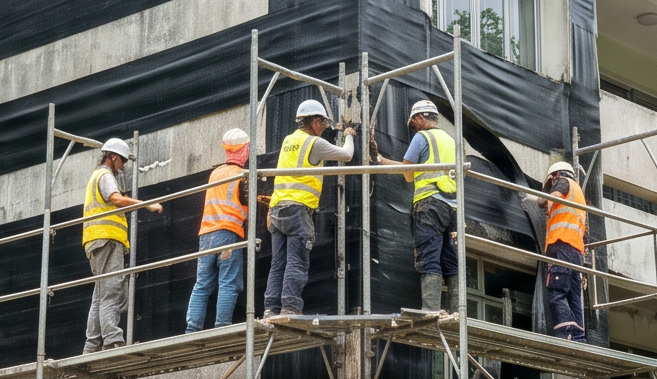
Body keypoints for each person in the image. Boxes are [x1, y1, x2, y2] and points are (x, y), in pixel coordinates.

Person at [260, 97, 354, 318]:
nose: (323, 128)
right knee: (297, 261)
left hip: (277, 210)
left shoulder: (288, 141)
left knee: (278, 263)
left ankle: (270, 309)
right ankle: (290, 308)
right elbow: (347, 155)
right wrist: (349, 135)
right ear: (313, 121)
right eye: (322, 123)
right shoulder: (314, 143)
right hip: (298, 210)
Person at [372, 98, 459, 313]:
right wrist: (381, 160)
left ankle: (430, 311)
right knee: (450, 259)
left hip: (429, 204)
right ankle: (458, 310)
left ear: (420, 118)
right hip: (452, 207)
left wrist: (381, 161)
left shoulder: (422, 137)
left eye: (413, 123)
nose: (413, 128)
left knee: (428, 257)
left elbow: (408, 175)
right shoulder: (450, 140)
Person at [81, 136, 160, 353]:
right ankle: (112, 339)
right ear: (113, 157)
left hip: (95, 240)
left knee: (100, 294)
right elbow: (116, 199)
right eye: (122, 161)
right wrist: (146, 204)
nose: (123, 166)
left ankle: (91, 345)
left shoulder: (95, 176)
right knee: (112, 291)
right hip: (107, 239)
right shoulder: (105, 175)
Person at [186, 128, 253, 331]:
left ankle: (192, 328)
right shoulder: (242, 174)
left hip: (206, 235)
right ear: (244, 149)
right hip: (228, 233)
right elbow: (245, 202)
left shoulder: (216, 173)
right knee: (229, 282)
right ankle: (222, 326)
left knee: (203, 284)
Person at [536, 159, 589, 341]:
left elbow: (548, 199)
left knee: (556, 293)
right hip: (576, 252)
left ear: (555, 175)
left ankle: (566, 332)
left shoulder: (563, 181)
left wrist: (540, 200)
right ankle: (578, 337)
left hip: (561, 246)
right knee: (574, 297)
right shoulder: (579, 193)